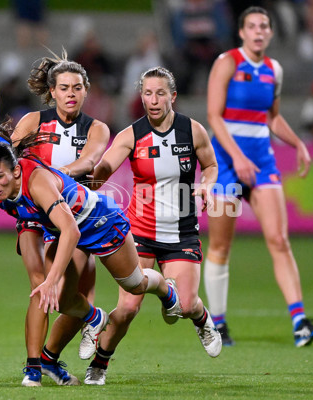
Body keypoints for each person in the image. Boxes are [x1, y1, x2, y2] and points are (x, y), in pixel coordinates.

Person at [0, 136, 182, 384]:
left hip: (100, 223)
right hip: (66, 231)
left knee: (135, 284)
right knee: (59, 300)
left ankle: (166, 290)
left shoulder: (37, 181)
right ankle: (94, 318)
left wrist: (51, 279)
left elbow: (72, 230)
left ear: (16, 171)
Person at [84, 66, 222, 386]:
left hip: (182, 233)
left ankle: (202, 320)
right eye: (147, 93)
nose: (153, 100)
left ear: (172, 96)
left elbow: (211, 165)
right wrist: (92, 177)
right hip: (140, 233)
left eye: (160, 93)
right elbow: (107, 163)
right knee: (128, 308)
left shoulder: (193, 131)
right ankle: (99, 364)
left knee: (185, 306)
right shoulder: (132, 134)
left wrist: (206, 186)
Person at [203, 6, 313, 347]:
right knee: (220, 245)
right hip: (227, 164)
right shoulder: (227, 63)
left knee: (279, 239)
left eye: (264, 27)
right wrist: (237, 157)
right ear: (242, 32)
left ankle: (300, 323)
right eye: (252, 26)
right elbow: (214, 116)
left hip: (261, 162)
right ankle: (218, 324)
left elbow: (272, 118)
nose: (259, 31)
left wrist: (298, 142)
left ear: (270, 34)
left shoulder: (274, 69)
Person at [8, 51, 111, 387]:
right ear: (52, 91)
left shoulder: (97, 128)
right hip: (36, 216)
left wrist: (54, 176)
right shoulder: (32, 122)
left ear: (85, 91)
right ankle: (33, 367)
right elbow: (9, 167)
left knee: (78, 298)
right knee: (42, 284)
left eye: (77, 87)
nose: (70, 93)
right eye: (64, 87)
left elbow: (90, 161)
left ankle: (50, 358)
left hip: (75, 216)